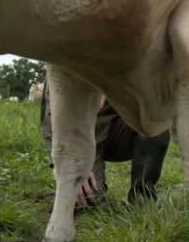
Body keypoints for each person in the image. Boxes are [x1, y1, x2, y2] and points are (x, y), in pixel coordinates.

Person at [40, 78, 171, 208]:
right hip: (79, 137)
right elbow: (50, 115)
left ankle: (141, 197)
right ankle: (95, 183)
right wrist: (66, 162)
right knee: (86, 200)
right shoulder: (62, 62)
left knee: (157, 119)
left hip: (119, 129)